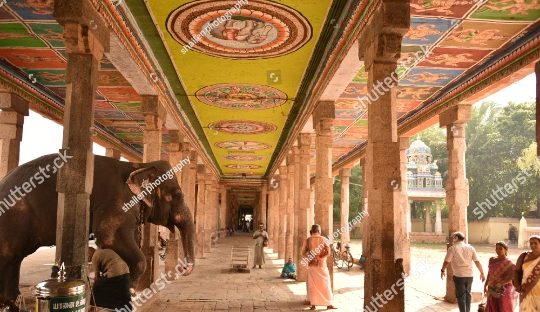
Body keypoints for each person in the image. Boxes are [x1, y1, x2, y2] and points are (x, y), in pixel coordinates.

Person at [440, 231, 485, 312]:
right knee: (468, 294)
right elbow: (477, 261)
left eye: (453, 237)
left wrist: (442, 270)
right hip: (469, 275)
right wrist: (482, 272)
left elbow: (447, 261)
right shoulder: (470, 248)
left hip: (459, 275)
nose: (452, 239)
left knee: (461, 296)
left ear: (457, 238)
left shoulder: (452, 248)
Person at [301, 224, 337, 310]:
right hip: (322, 265)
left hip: (311, 266)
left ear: (312, 231)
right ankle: (328, 304)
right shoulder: (324, 240)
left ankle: (313, 304)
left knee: (312, 285)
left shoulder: (308, 240)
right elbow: (328, 252)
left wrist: (310, 257)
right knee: (325, 284)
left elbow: (303, 253)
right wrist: (319, 257)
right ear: (319, 231)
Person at [483, 241, 515, 311]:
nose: (498, 250)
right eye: (496, 248)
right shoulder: (492, 260)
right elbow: (489, 273)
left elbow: (512, 277)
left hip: (504, 288)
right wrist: (485, 285)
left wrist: (501, 283)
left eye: (500, 248)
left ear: (505, 249)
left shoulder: (509, 263)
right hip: (492, 287)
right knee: (492, 306)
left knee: (503, 307)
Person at [514, 235, 540, 310]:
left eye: (535, 243)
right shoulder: (524, 256)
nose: (532, 245)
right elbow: (516, 271)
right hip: (525, 290)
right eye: (531, 243)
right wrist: (517, 285)